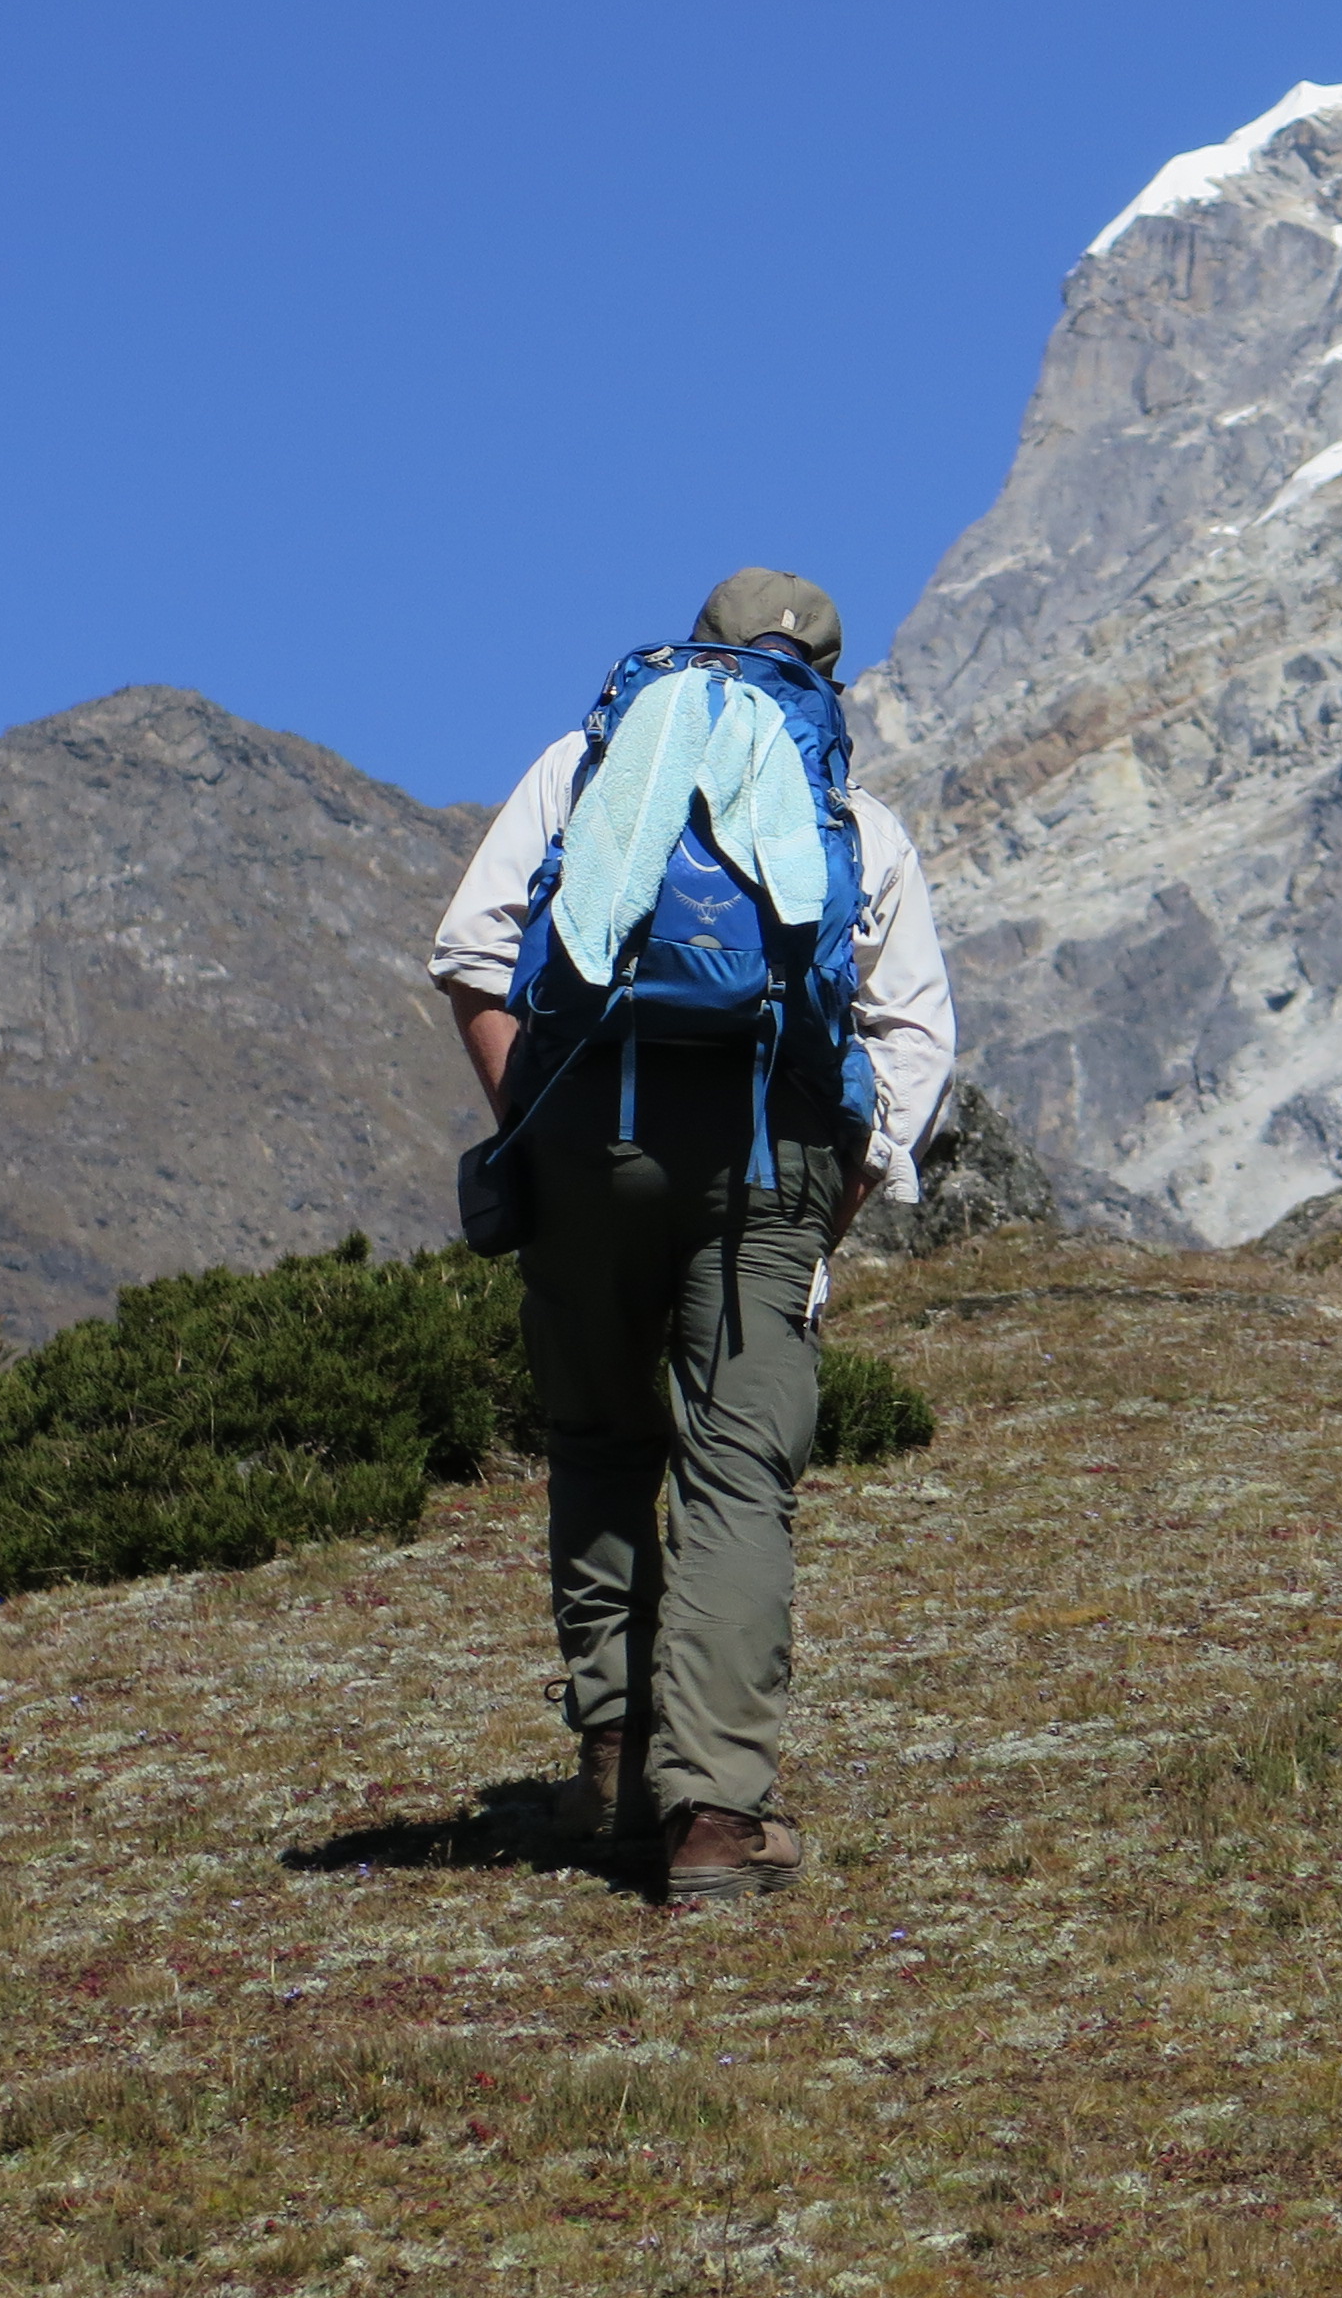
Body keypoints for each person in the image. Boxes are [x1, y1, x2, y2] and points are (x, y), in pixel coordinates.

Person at [427, 567, 955, 1900]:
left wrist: (532, 1129)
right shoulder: (852, 818)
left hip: (585, 1139)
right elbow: (912, 1041)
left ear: (688, 652)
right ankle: (714, 1818)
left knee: (600, 1439)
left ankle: (614, 1768)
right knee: (736, 1473)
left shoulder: (585, 768)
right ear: (826, 683)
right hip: (771, 1159)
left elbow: (472, 952)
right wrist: (823, 1215)